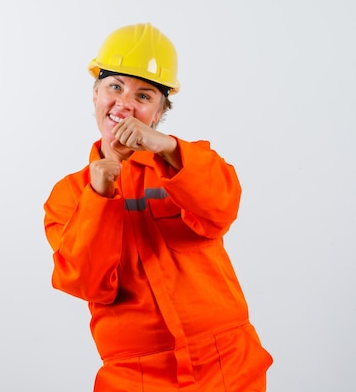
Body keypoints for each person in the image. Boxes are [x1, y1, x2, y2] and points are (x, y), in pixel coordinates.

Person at [43, 22, 273, 391]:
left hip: (226, 360)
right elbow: (86, 282)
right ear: (95, 94)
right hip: (135, 375)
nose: (125, 103)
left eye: (145, 95)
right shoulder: (69, 195)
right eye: (114, 86)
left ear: (160, 111)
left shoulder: (189, 162)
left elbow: (221, 209)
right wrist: (98, 198)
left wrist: (166, 148)